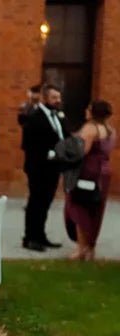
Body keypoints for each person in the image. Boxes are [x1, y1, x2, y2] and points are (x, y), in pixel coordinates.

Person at [64, 100, 116, 260]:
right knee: (96, 209)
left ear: (93, 112)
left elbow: (81, 152)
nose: (86, 110)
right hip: (104, 172)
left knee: (79, 207)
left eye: (88, 108)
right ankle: (91, 248)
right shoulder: (111, 130)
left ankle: (81, 248)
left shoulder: (90, 128)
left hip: (88, 172)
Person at [22, 83, 69, 251]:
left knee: (46, 202)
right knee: (36, 202)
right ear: (44, 98)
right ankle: (30, 237)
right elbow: (28, 144)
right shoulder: (34, 117)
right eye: (54, 97)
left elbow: (65, 135)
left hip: (54, 168)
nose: (58, 100)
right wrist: (50, 153)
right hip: (38, 167)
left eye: (59, 97)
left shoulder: (59, 116)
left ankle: (41, 235)